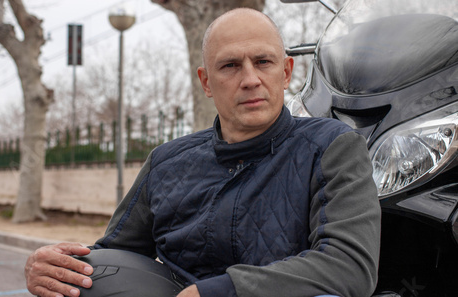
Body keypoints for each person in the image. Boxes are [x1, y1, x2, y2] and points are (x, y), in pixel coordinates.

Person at [25, 8, 381, 297]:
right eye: (230, 66)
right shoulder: (165, 163)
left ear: (286, 71)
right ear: (206, 82)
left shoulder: (332, 145)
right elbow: (115, 257)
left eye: (263, 62)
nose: (250, 79)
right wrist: (52, 267)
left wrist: (216, 292)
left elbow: (349, 265)